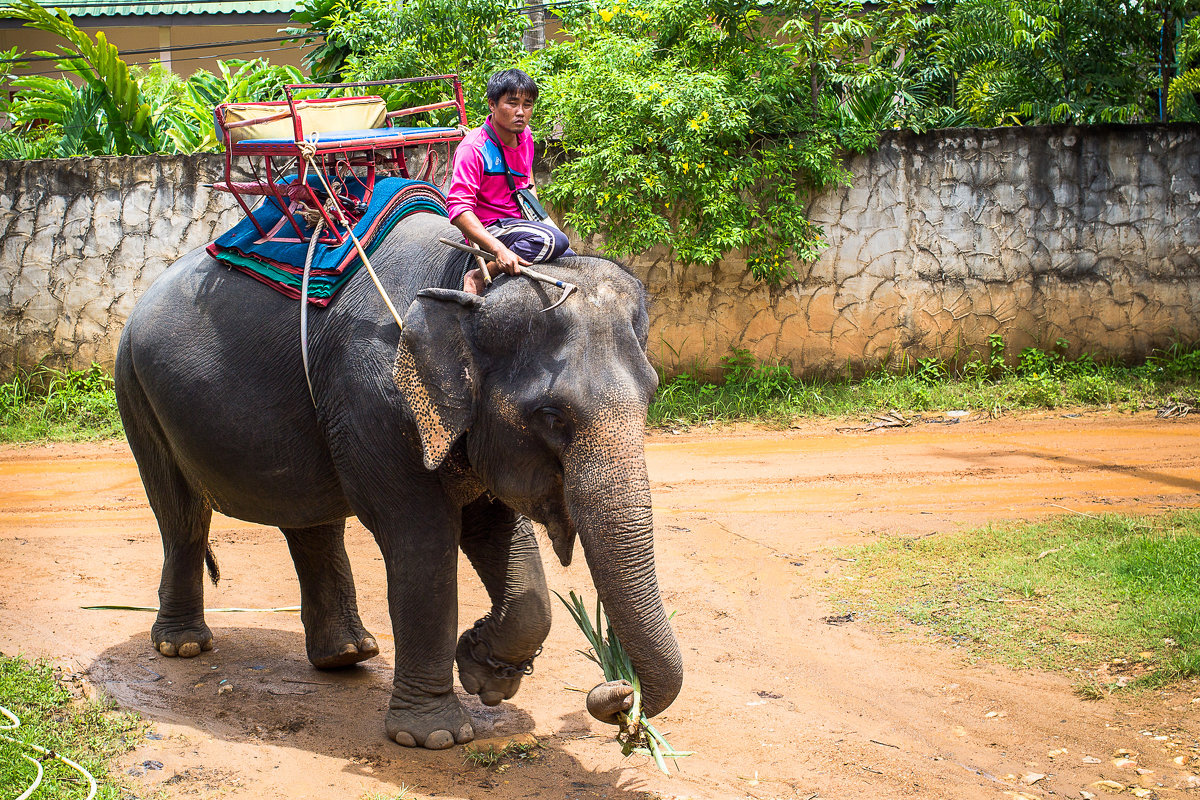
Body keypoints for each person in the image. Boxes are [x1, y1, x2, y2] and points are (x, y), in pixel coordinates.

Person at [446, 69, 572, 292]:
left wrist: (535, 220)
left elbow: (526, 182)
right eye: (512, 103)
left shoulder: (526, 137)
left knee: (570, 253)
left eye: (527, 104)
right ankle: (478, 276)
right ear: (492, 104)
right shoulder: (474, 148)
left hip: (516, 222)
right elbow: (458, 209)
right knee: (554, 241)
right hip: (491, 226)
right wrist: (497, 249)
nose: (521, 112)